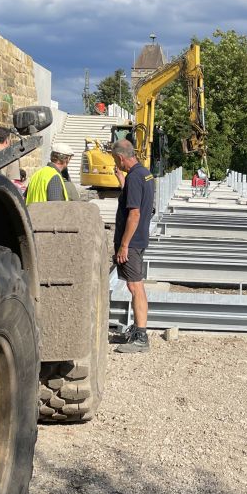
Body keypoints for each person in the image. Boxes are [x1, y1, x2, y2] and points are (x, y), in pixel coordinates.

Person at [111, 139, 154, 353]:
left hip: (133, 241)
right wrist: (122, 181)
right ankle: (138, 330)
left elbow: (134, 213)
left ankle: (141, 336)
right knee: (133, 285)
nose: (116, 164)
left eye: (115, 160)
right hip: (139, 239)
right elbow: (134, 200)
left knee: (135, 286)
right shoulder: (144, 173)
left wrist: (124, 245)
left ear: (120, 157)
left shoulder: (135, 177)